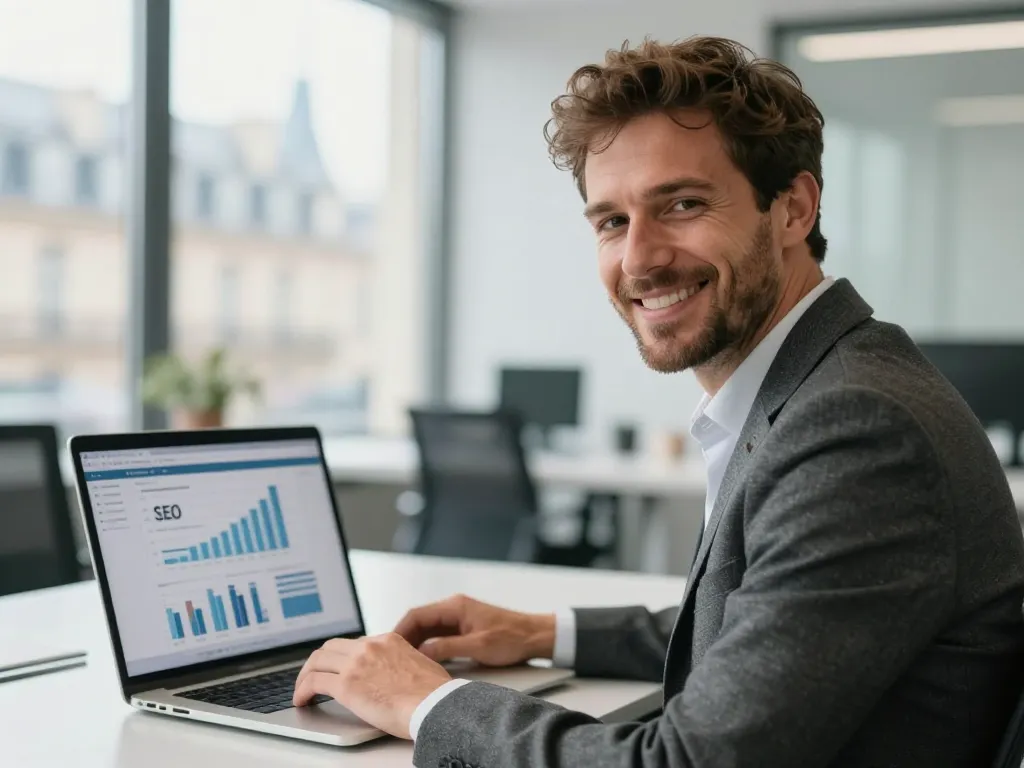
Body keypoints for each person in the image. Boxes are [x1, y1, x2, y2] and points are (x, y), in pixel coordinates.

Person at [291, 36, 1024, 767]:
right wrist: (545, 631)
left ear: (794, 209)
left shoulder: (858, 428)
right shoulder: (824, 382)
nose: (639, 258)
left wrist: (425, 703)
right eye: (612, 221)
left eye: (681, 203)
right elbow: (764, 616)